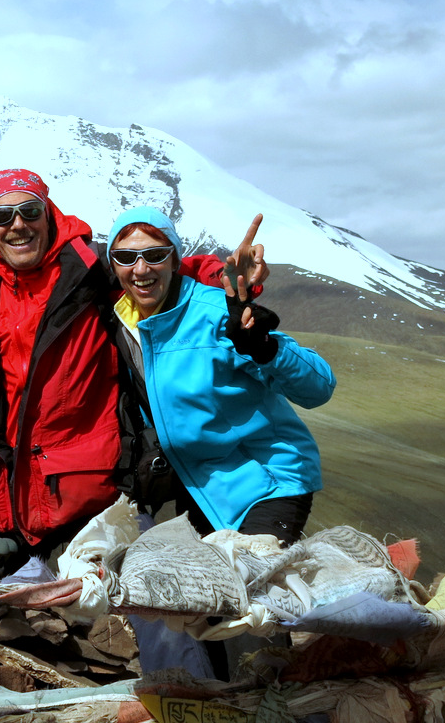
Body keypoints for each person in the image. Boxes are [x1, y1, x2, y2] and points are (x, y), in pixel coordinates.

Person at [0, 168, 265, 553]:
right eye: (2, 216)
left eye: (30, 211)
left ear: (48, 213)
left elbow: (165, 268)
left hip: (83, 508)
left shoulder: (89, 270)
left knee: (101, 608)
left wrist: (227, 276)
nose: (18, 224)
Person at [106, 206, 334, 679]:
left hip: (266, 480)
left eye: (154, 254)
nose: (141, 269)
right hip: (201, 485)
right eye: (127, 257)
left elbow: (319, 385)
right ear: (113, 263)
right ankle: (222, 697)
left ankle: (267, 701)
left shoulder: (217, 313)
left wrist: (262, 344)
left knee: (250, 610)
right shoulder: (124, 322)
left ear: (175, 258)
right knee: (206, 604)